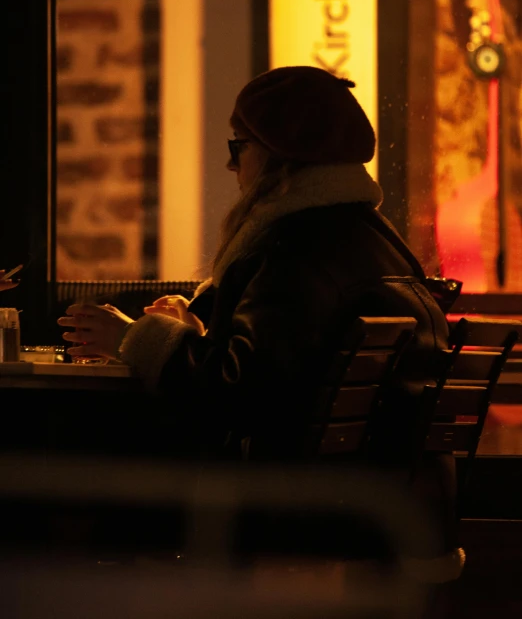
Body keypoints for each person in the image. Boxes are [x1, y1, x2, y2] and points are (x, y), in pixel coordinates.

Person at [58, 66, 449, 462]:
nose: (231, 165)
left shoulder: (295, 251)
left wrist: (133, 339)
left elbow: (236, 396)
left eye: (239, 145)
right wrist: (194, 332)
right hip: (366, 497)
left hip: (278, 501)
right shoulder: (374, 239)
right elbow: (277, 368)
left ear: (278, 154)